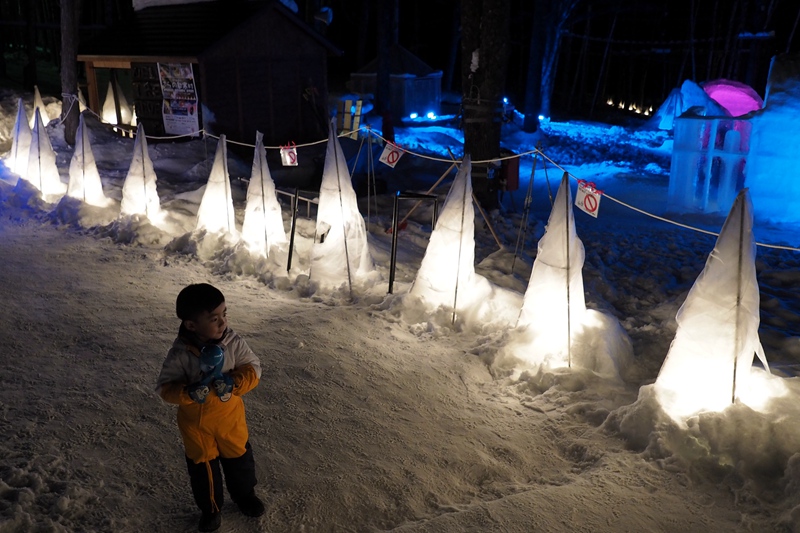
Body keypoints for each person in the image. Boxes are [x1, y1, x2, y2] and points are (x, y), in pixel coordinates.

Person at [156, 283, 264, 532]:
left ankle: (245, 495)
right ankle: (211, 508)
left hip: (230, 418)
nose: (223, 322)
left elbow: (254, 367)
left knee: (239, 458)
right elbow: (165, 387)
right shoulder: (181, 353)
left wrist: (236, 382)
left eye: (225, 314)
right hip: (197, 424)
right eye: (214, 319)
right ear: (191, 325)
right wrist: (187, 392)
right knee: (203, 468)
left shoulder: (233, 342)